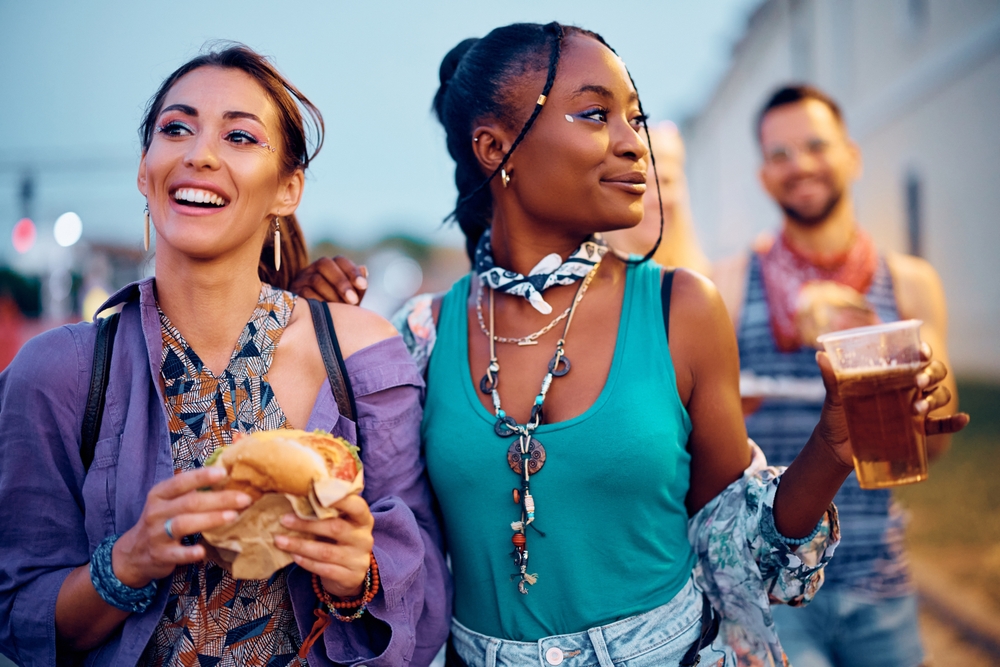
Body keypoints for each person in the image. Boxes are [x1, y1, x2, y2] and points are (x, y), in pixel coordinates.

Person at [296, 23, 964, 667]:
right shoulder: (422, 333)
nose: (632, 142)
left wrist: (834, 443)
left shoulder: (681, 308)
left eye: (635, 119)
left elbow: (739, 551)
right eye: (595, 116)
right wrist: (294, 320)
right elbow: (350, 518)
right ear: (496, 148)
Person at [0, 44, 449, 667]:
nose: (200, 153)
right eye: (175, 129)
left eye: (239, 136)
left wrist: (356, 578)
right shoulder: (57, 372)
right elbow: (19, 618)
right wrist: (128, 562)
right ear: (144, 168)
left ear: (287, 189)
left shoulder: (358, 352)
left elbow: (426, 599)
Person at [712, 84, 967, 667]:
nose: (798, 165)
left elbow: (935, 449)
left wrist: (931, 409)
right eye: (779, 155)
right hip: (772, 587)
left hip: (880, 578)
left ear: (850, 154)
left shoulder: (909, 283)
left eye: (815, 145)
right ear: (763, 177)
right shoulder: (728, 286)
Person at [603, 120, 711, 274]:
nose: (655, 199)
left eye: (666, 182)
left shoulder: (706, 281)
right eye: (639, 183)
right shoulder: (587, 286)